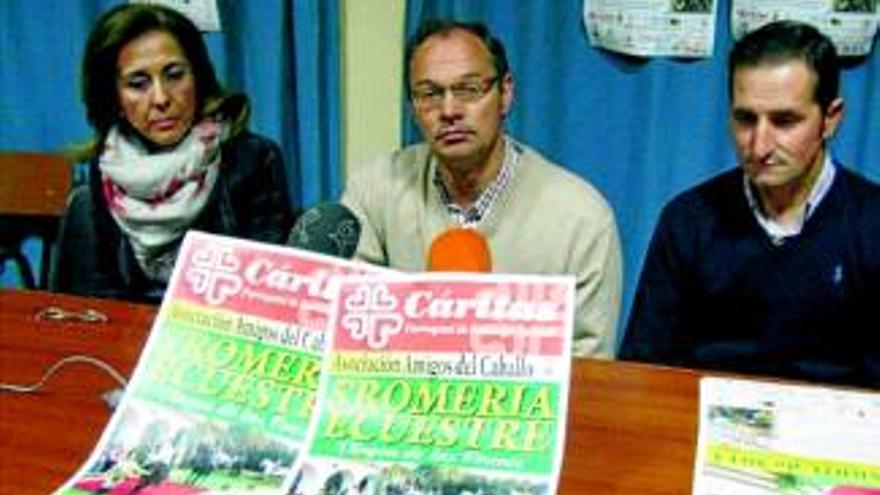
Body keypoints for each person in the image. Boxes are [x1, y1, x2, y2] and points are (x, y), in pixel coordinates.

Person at [620, 20, 880, 387]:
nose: (759, 146)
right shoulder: (689, 221)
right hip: (703, 427)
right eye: (745, 119)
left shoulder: (871, 224)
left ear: (830, 119)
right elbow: (645, 370)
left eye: (784, 121)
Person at [341, 20, 622, 357]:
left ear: (505, 94)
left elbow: (588, 368)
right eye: (429, 94)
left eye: (469, 90)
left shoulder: (580, 218)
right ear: (413, 109)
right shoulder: (374, 192)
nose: (449, 111)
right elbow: (347, 336)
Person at [52, 4, 293, 303]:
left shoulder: (254, 160)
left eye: (175, 75)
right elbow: (104, 295)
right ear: (115, 97)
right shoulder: (106, 168)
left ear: (199, 79)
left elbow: (266, 295)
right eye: (138, 84)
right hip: (131, 337)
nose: (161, 98)